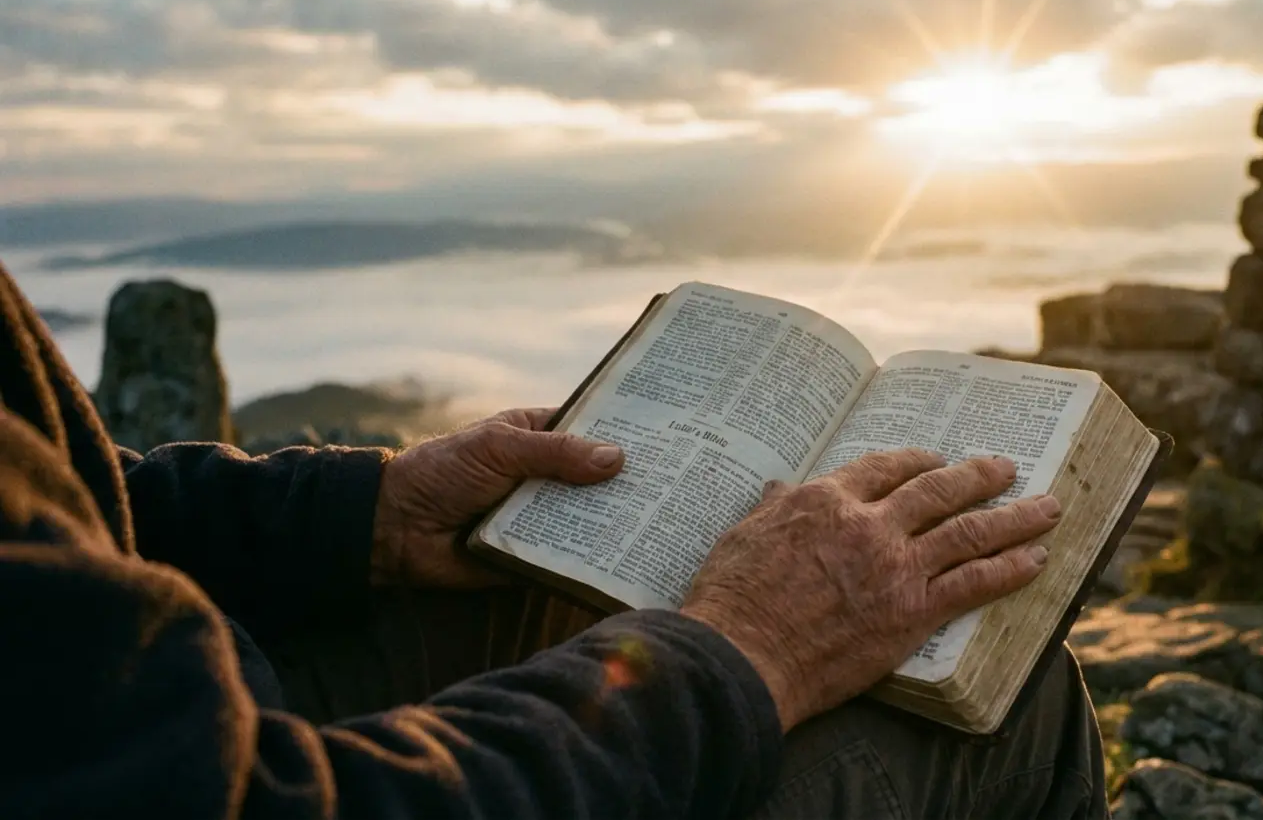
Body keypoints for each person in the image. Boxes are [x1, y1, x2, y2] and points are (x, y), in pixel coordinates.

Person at [0, 261, 1108, 820]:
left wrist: (364, 516)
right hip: (242, 762)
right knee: (992, 714)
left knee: (580, 596)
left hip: (182, 681)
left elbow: (60, 515)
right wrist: (747, 647)